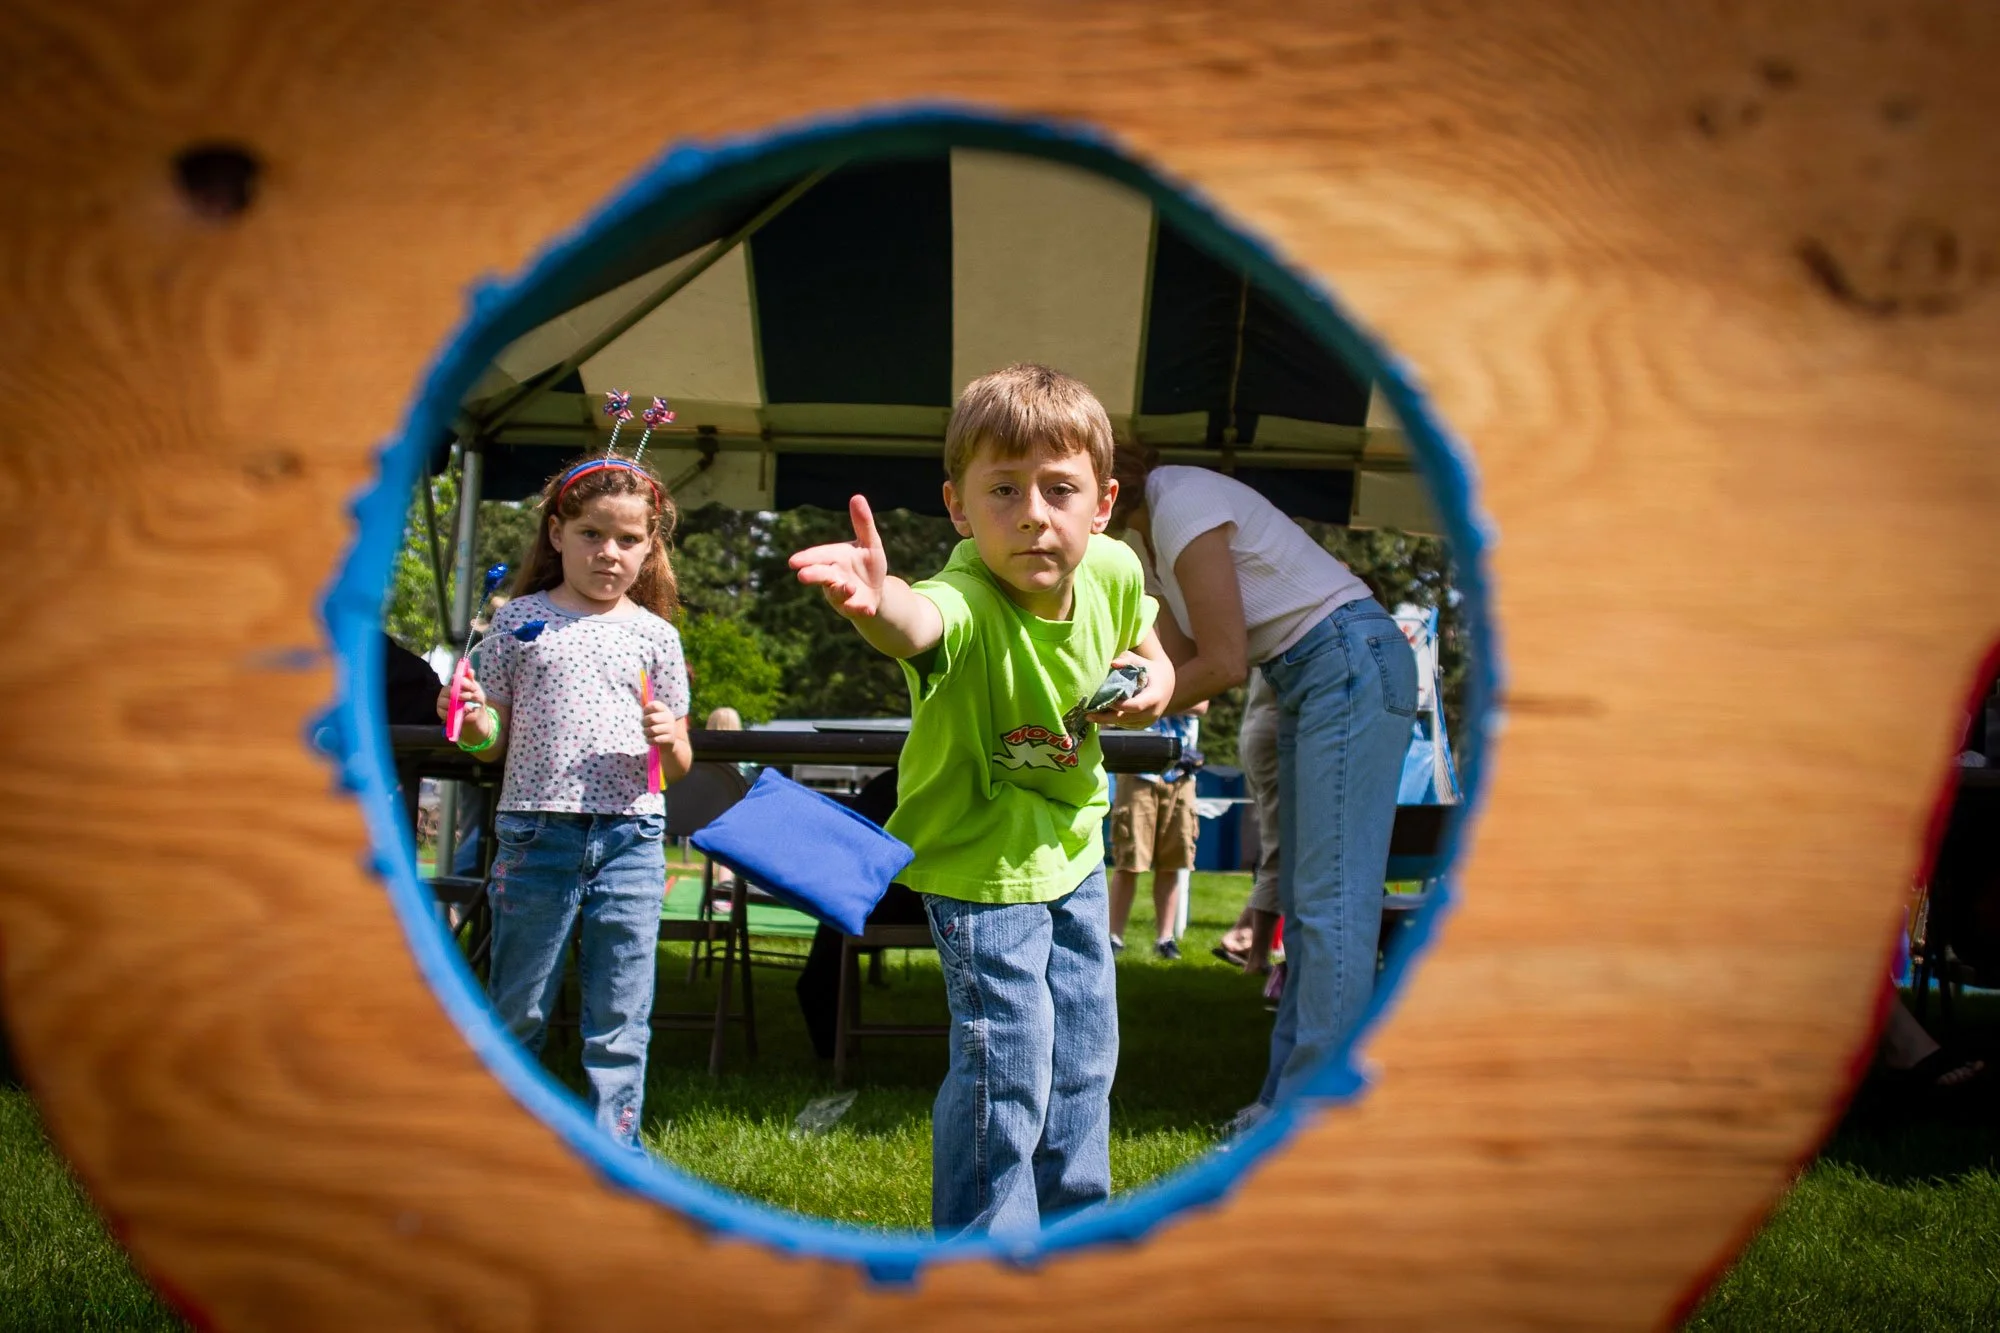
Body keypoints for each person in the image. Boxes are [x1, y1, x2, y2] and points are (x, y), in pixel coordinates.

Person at [788, 363, 1174, 1238]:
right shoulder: (963, 595)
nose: (1033, 513)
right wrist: (872, 598)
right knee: (1011, 1062)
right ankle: (981, 1251)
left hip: (1072, 847)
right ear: (959, 509)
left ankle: (1074, 1235)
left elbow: (1149, 642)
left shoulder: (1112, 566)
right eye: (1002, 489)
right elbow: (914, 621)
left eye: (1059, 488)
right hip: (978, 867)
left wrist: (1157, 677)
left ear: (1103, 503)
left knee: (1082, 1060)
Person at [1109, 444, 1415, 1128]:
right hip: (1309, 674)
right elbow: (1169, 668)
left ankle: (1311, 1119)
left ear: (1104, 482)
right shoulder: (1148, 548)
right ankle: (1283, 1103)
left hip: (1346, 660)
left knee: (1331, 903)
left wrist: (1118, 707)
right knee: (1312, 905)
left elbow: (1219, 663)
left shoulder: (1179, 499)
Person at [439, 452, 693, 1148]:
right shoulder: (519, 624)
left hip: (632, 839)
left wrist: (670, 736)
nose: (608, 552)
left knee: (620, 1015)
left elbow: (676, 763)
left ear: (649, 547)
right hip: (534, 837)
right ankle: (500, 1143)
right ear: (557, 533)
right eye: (590, 533)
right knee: (519, 1002)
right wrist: (467, 721)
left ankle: (615, 1152)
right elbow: (487, 737)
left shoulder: (657, 637)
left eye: (628, 539)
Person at [1108, 703, 1206, 960]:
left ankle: (1165, 939)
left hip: (1181, 771)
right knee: (1128, 859)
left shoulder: (1192, 661)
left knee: (1173, 860)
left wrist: (1155, 698)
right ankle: (1113, 937)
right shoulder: (1141, 661)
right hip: (1136, 767)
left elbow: (1201, 704)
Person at [1215, 669, 1282, 976]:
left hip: (1262, 730)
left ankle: (1244, 935)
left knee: (1279, 847)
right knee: (1281, 849)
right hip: (1277, 733)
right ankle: (1255, 956)